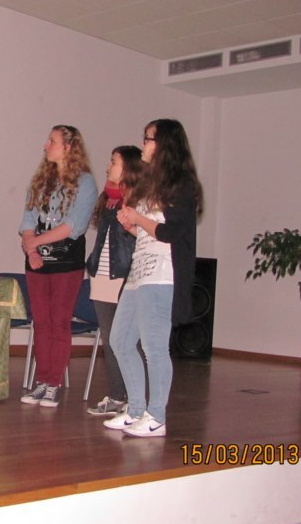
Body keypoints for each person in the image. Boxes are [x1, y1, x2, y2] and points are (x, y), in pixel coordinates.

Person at [103, 119, 203, 437]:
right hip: (139, 273)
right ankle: (135, 410)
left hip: (162, 274)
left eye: (148, 139)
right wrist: (132, 225)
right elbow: (149, 232)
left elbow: (172, 232)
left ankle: (156, 416)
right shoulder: (151, 183)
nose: (143, 144)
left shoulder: (180, 184)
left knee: (154, 346)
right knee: (120, 341)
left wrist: (138, 218)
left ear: (164, 145)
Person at [19, 125, 97, 408]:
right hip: (37, 262)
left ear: (68, 147)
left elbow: (73, 226)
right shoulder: (40, 182)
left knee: (59, 322)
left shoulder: (85, 183)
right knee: (41, 322)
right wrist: (31, 249)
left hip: (66, 263)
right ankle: (41, 381)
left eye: (51, 141)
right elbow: (28, 221)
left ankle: (53, 383)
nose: (46, 145)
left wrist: (35, 243)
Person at [85, 145, 143, 416]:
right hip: (102, 274)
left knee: (130, 340)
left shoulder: (141, 202)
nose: (108, 167)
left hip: (126, 275)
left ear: (129, 168)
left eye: (114, 162)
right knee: (109, 340)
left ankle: (137, 399)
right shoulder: (106, 198)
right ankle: (118, 396)